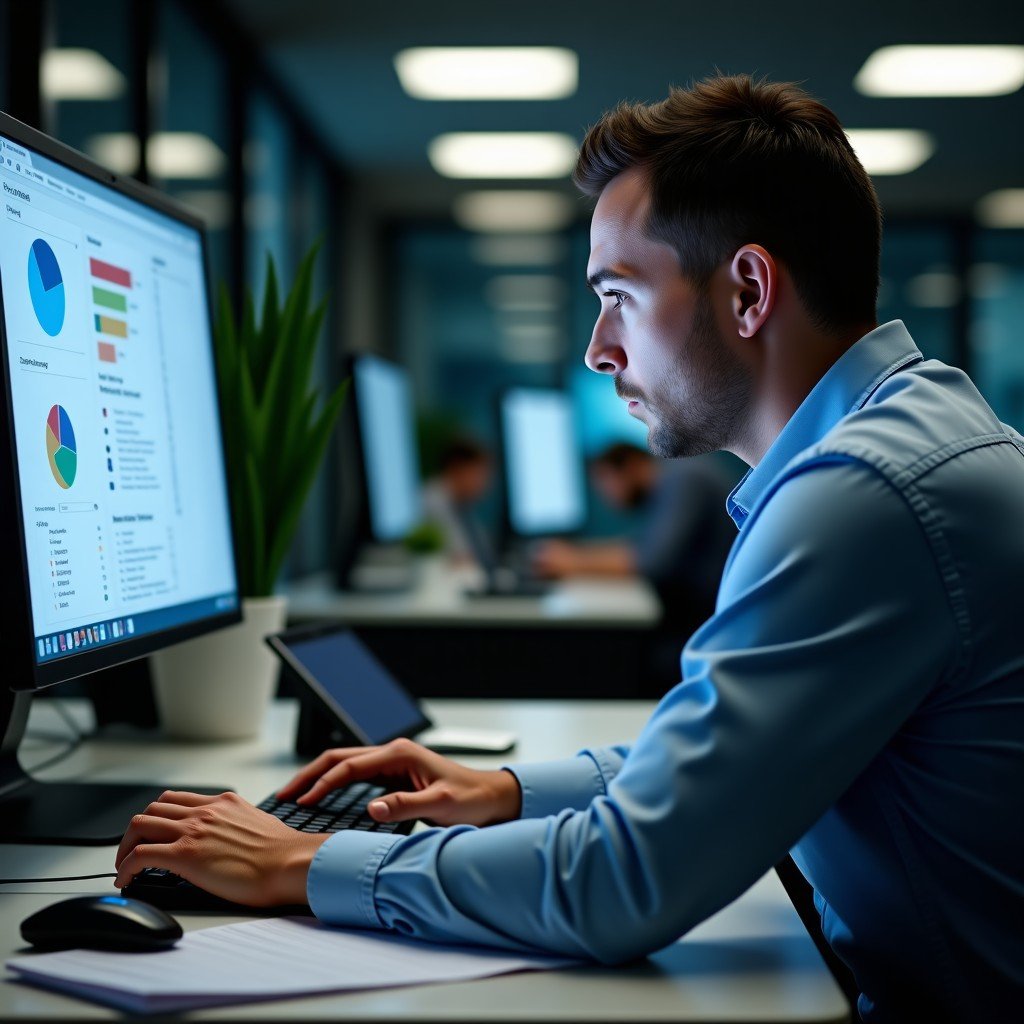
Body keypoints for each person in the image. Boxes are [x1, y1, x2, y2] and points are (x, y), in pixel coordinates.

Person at [114, 75, 1023, 1023]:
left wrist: (300, 861)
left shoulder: (866, 495)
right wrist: (502, 791)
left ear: (749, 291)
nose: (598, 348)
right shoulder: (902, 443)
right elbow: (723, 755)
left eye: (619, 295)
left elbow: (625, 882)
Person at [532, 442, 734, 637]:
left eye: (606, 481)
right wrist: (575, 553)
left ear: (632, 466)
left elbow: (650, 561)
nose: (607, 495)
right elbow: (637, 544)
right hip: (699, 614)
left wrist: (572, 562)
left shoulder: (685, 479)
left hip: (704, 621)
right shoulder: (672, 479)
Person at [419, 436, 494, 563]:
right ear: (458, 467)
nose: (486, 483)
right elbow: (459, 558)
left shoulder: (462, 505)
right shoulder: (430, 503)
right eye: (480, 474)